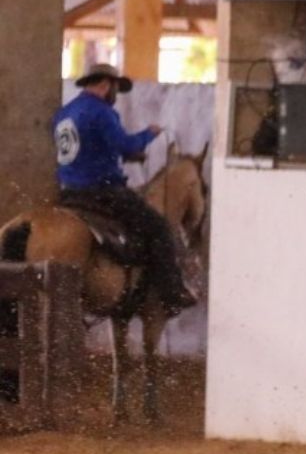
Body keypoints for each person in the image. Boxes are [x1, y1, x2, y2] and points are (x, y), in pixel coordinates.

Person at [52, 63, 197, 316]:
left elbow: (87, 149)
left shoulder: (65, 113)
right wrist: (148, 135)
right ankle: (172, 292)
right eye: (115, 88)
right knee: (158, 227)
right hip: (102, 191)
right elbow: (125, 144)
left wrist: (122, 156)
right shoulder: (102, 112)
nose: (115, 94)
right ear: (106, 84)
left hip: (69, 192)